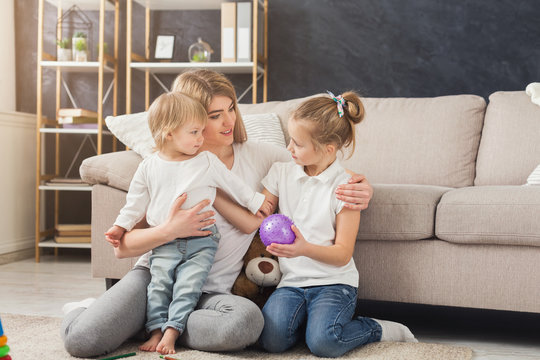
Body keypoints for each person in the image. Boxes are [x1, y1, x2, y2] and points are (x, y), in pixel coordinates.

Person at [61, 70, 375, 358]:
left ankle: (159, 324)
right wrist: (170, 229)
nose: (229, 122)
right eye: (214, 115)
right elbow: (124, 247)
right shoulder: (164, 163)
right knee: (83, 341)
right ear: (190, 118)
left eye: (231, 109)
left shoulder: (263, 157)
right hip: (156, 277)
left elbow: (317, 157)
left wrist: (363, 185)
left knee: (249, 323)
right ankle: (105, 313)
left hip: (212, 294)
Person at [222, 91, 416, 357]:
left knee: (325, 343)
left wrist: (303, 248)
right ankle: (312, 324)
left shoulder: (346, 188)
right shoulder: (281, 173)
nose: (289, 148)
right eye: (290, 139)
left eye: (298, 144)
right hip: (291, 282)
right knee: (270, 340)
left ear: (328, 149)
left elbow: (342, 254)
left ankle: (378, 329)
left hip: (333, 283)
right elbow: (261, 214)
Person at [105, 91, 270, 354]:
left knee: (187, 287)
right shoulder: (149, 166)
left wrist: (255, 202)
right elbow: (134, 204)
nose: (201, 138)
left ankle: (171, 332)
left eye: (202, 131)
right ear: (169, 133)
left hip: (201, 242)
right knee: (159, 286)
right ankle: (155, 329)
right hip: (164, 245)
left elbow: (234, 185)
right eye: (195, 132)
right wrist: (121, 227)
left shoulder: (206, 161)